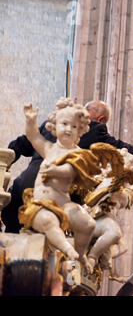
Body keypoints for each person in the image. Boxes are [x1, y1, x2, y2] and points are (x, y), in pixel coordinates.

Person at [3, 99, 133, 233]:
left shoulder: (50, 124)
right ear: (100, 120)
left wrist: (4, 171)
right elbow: (127, 151)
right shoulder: (94, 130)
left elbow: (16, 147)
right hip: (55, 201)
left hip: (20, 192)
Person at [20, 99, 96, 263]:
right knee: (48, 221)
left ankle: (81, 254)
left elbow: (70, 170)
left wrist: (55, 170)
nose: (69, 129)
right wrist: (30, 120)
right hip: (40, 203)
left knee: (88, 224)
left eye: (74, 126)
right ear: (55, 126)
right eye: (64, 124)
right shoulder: (49, 148)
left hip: (63, 205)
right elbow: (33, 137)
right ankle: (68, 251)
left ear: (80, 130)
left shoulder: (79, 153)